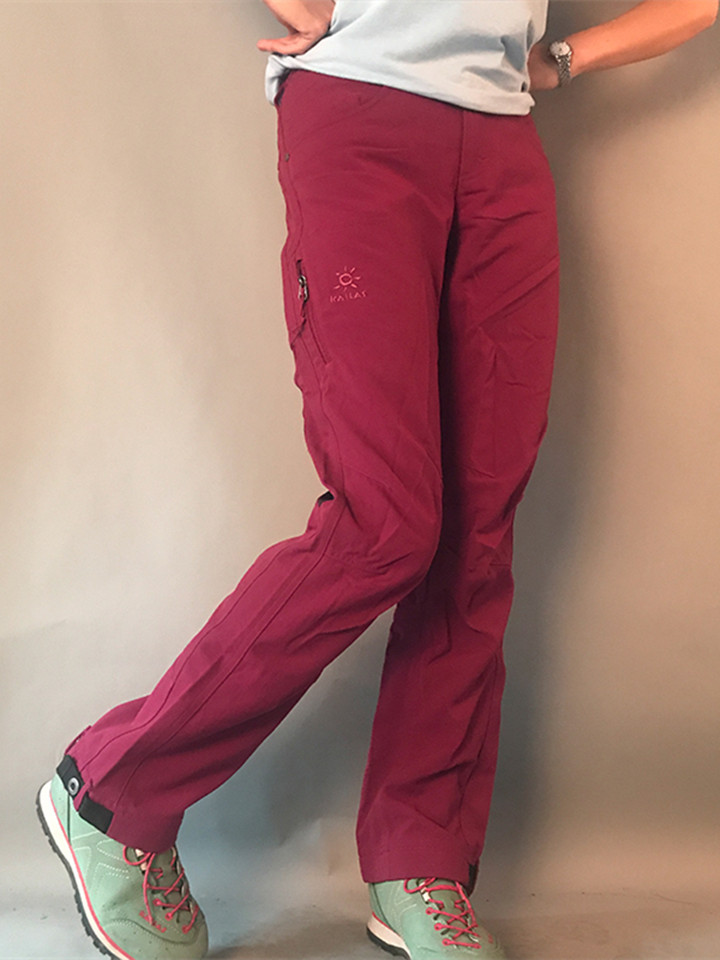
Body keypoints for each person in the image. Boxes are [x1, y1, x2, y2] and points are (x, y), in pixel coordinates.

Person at [36, 2, 718, 959]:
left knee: (479, 532)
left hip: (503, 146)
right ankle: (114, 790)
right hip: (360, 116)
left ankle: (418, 860)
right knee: (386, 523)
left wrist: (561, 58)